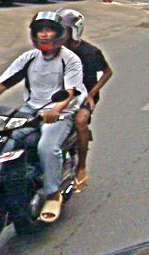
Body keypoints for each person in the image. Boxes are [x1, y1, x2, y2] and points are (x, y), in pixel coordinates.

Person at [0, 11, 87, 223]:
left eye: (49, 30)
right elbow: (2, 84)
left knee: (47, 146)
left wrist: (56, 110)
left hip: (58, 113)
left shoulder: (70, 60)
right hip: (30, 111)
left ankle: (53, 193)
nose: (44, 34)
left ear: (59, 33)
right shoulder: (29, 58)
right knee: (2, 142)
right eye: (40, 30)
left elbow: (71, 92)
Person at [56, 8, 113, 193]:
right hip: (63, 93)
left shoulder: (90, 52)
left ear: (74, 32)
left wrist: (91, 94)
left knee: (80, 121)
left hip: (85, 95)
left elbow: (107, 72)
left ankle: (81, 167)